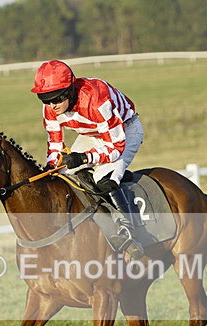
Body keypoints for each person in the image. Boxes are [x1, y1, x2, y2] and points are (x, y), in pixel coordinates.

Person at [31, 59, 144, 259]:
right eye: (45, 99)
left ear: (69, 91)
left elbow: (115, 148)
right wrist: (51, 168)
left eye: (56, 98)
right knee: (66, 174)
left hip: (124, 132)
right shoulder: (50, 108)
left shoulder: (97, 100)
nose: (51, 105)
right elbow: (55, 145)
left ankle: (129, 230)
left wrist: (84, 158)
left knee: (103, 177)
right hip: (91, 134)